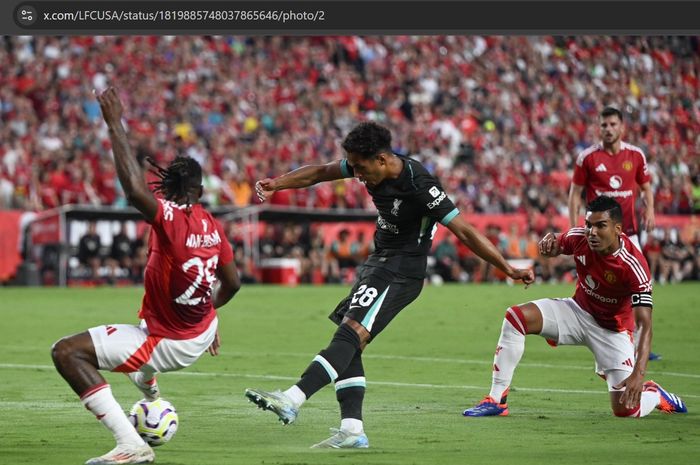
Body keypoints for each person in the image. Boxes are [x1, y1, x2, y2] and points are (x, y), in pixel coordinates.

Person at [245, 121, 534, 448]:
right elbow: (320, 172)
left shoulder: (419, 184)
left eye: (360, 167)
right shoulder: (366, 164)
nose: (357, 174)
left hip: (402, 269)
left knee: (350, 332)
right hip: (380, 261)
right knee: (350, 337)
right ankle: (352, 430)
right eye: (353, 166)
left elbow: (464, 230)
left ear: (381, 159)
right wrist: (277, 185)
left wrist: (508, 268)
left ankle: (293, 399)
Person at [51, 88, 241, 465]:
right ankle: (149, 387)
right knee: (144, 323)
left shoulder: (170, 218)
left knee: (67, 352)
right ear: (201, 191)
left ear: (169, 188)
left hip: (169, 340)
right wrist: (208, 313)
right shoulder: (213, 225)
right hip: (198, 329)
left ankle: (131, 445)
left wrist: (114, 124)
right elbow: (233, 284)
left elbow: (135, 190)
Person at [463, 196, 687, 419]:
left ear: (618, 229)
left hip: (612, 331)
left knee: (626, 410)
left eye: (601, 226)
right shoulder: (580, 237)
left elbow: (644, 325)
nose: (592, 232)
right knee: (516, 317)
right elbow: (555, 244)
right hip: (577, 311)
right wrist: (548, 244)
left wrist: (639, 374)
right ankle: (497, 400)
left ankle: (655, 394)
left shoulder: (633, 265)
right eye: (589, 225)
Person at [568, 106, 660, 361]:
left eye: (612, 124)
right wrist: (574, 223)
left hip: (629, 234)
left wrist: (650, 210)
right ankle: (604, 335)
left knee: (640, 287)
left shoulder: (636, 155)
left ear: (622, 127)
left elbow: (646, 187)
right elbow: (575, 192)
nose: (608, 129)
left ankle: (638, 341)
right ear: (599, 128)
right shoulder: (587, 158)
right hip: (599, 235)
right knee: (599, 283)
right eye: (604, 125)